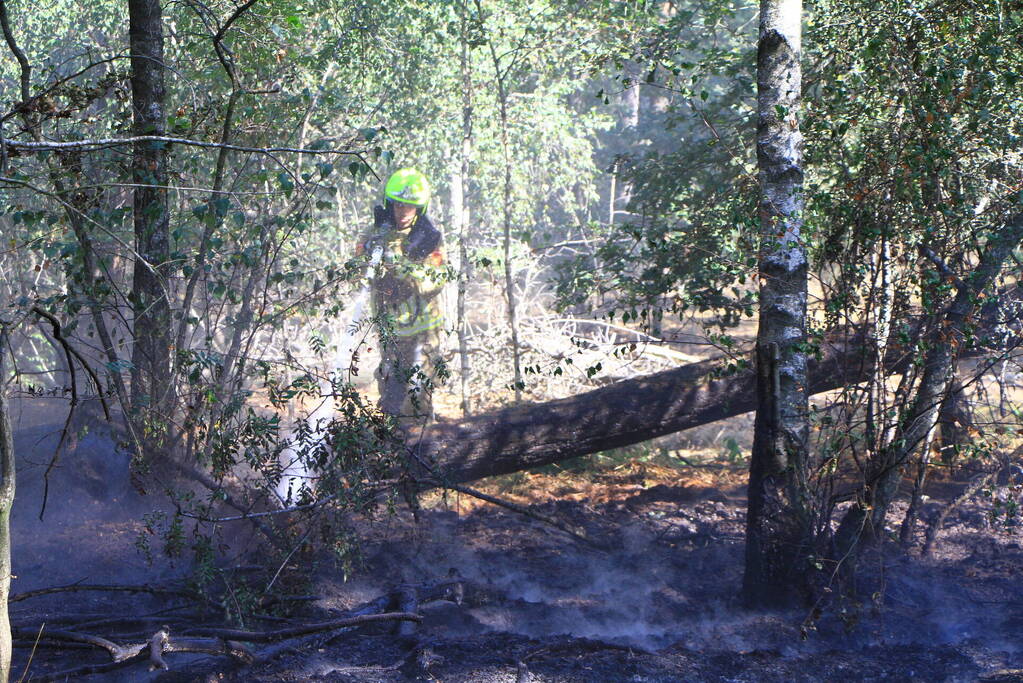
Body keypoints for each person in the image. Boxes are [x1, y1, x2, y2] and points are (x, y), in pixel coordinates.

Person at [360, 168, 448, 426]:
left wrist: (401, 268)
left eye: (410, 206)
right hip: (391, 331)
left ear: (420, 208)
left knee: (419, 393)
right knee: (390, 394)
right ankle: (392, 450)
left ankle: (423, 449)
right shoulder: (375, 234)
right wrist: (369, 257)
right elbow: (357, 273)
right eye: (399, 205)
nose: (403, 211)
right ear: (390, 203)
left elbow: (436, 279)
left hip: (423, 331)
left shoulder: (428, 238)